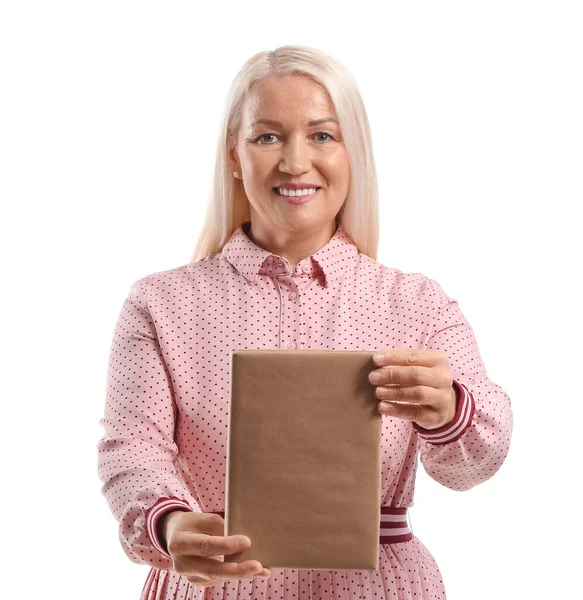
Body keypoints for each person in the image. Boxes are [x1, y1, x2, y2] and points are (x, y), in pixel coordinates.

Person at [97, 45, 513, 600]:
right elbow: (131, 448)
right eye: (267, 136)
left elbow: (474, 465)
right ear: (233, 155)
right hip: (216, 588)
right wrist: (171, 525)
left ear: (353, 153)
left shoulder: (415, 304)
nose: (295, 162)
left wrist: (449, 411)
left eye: (322, 135)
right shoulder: (161, 303)